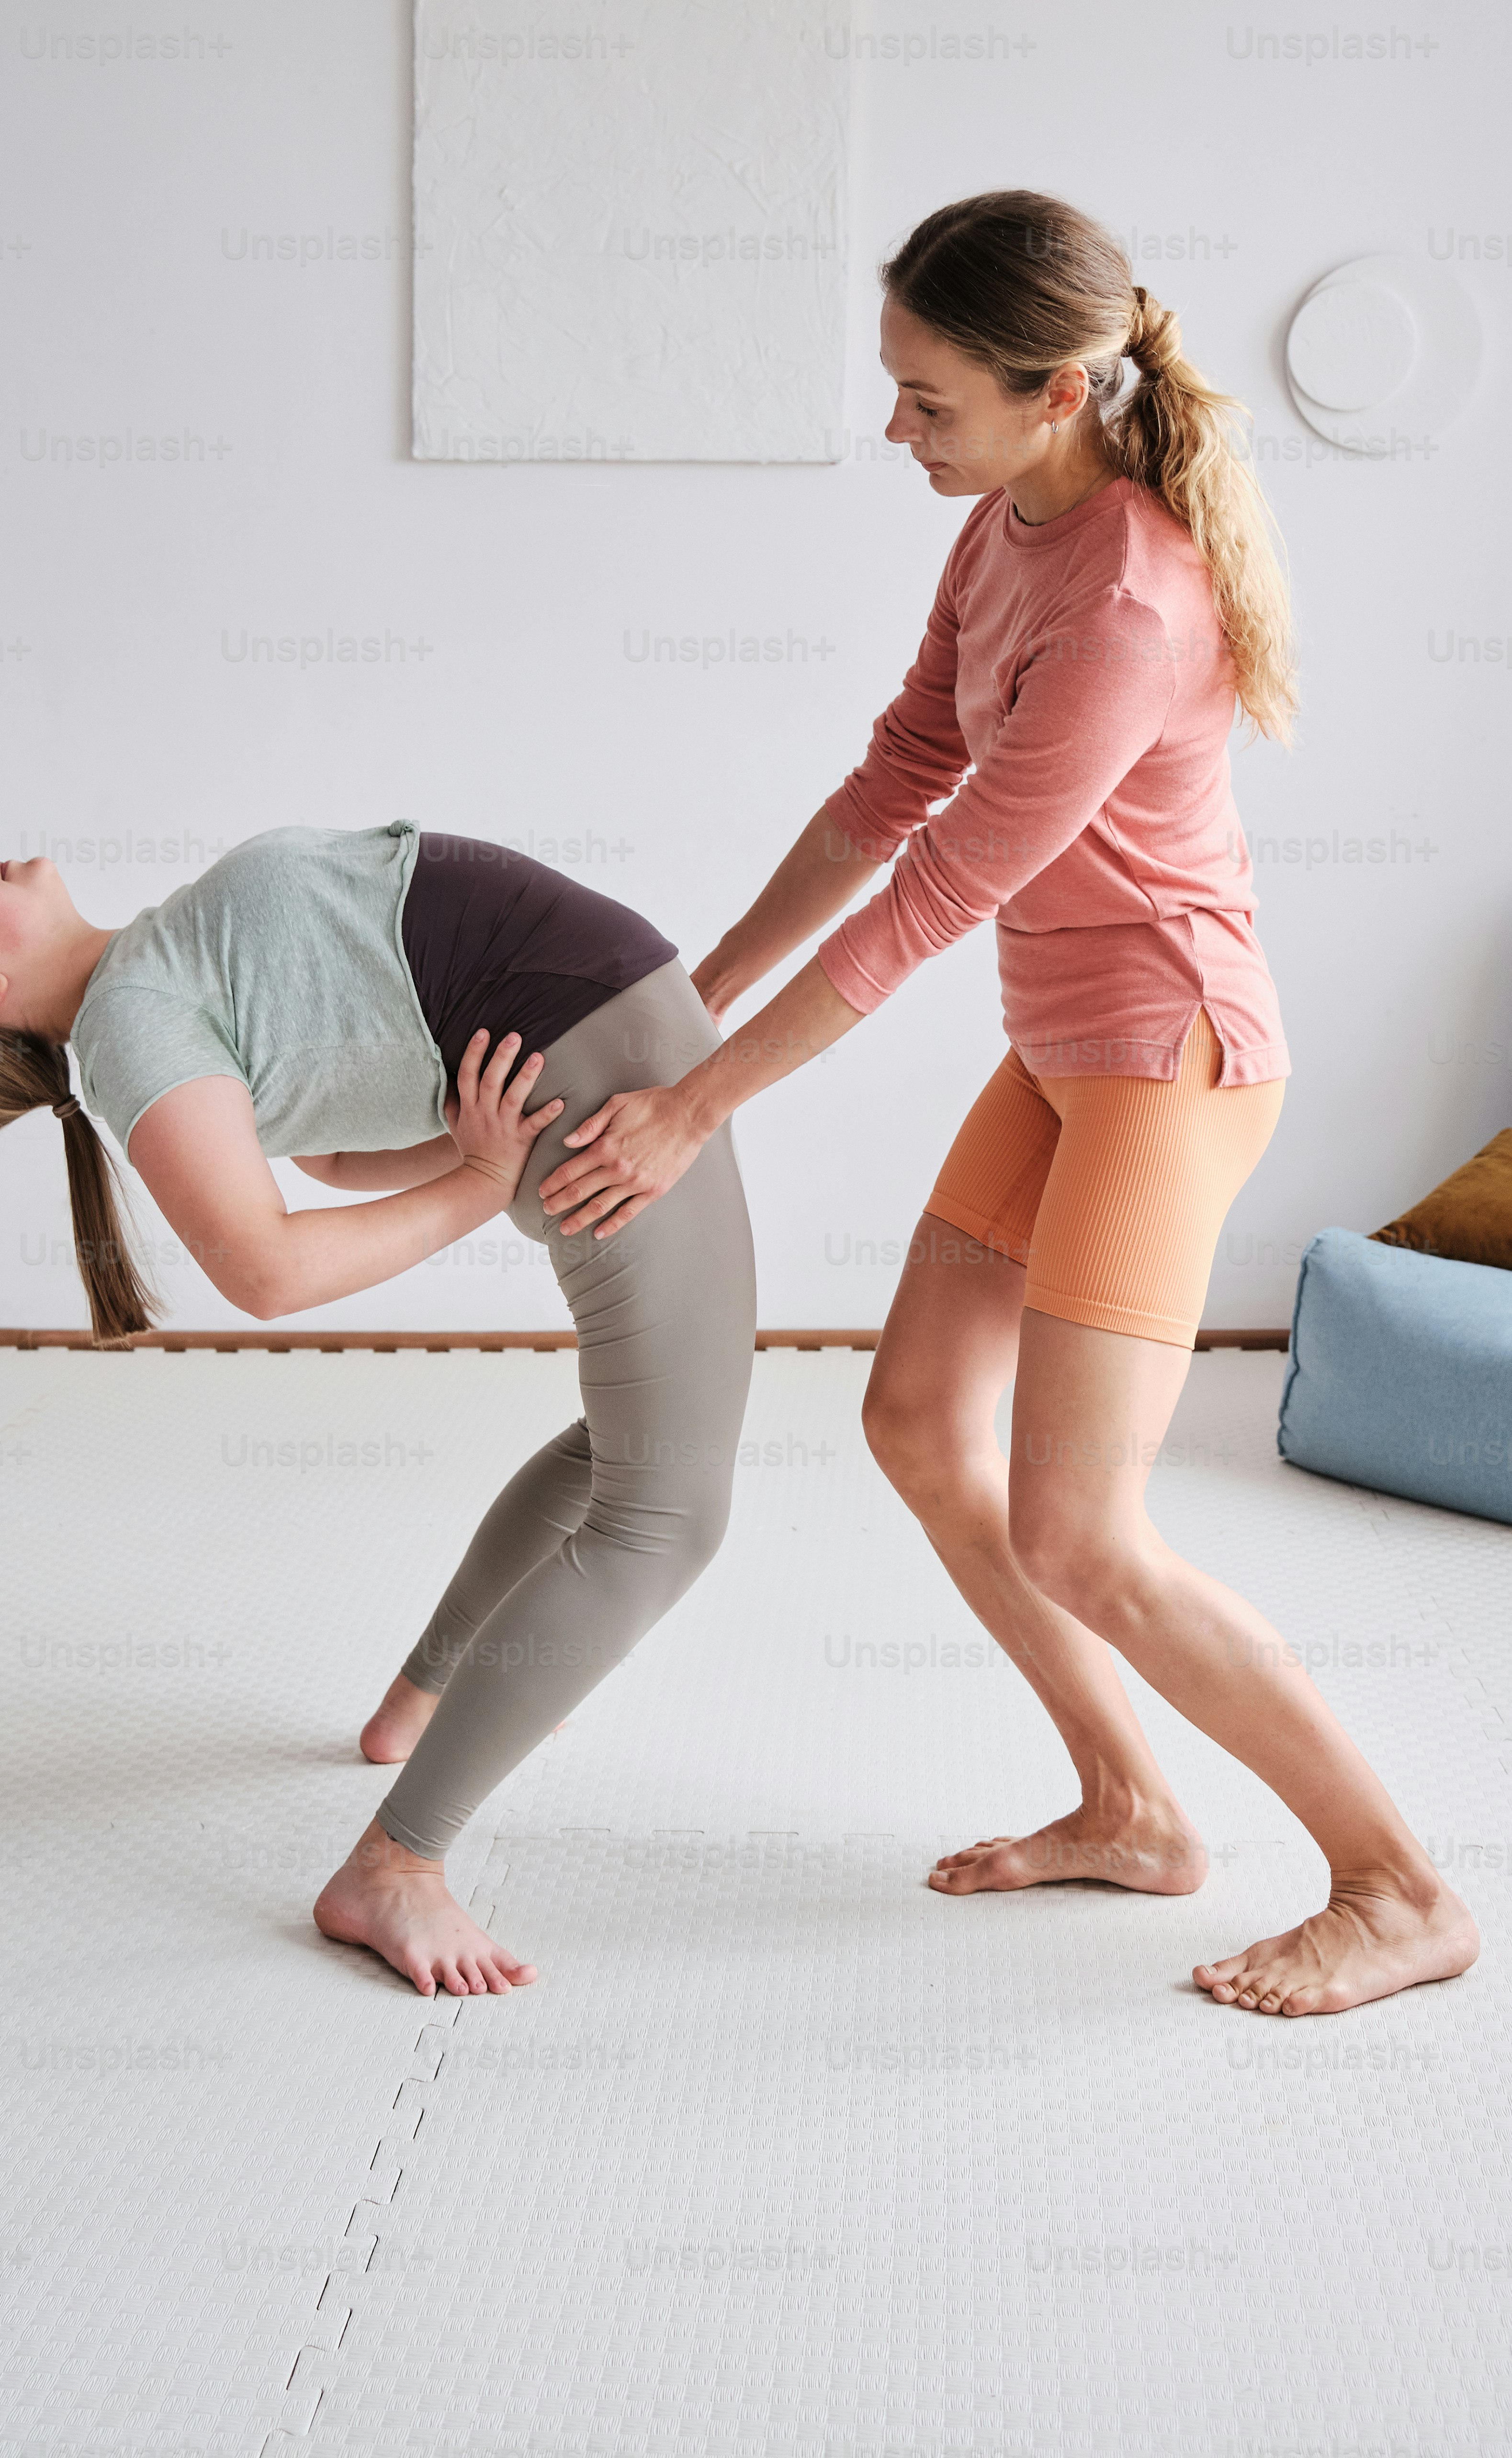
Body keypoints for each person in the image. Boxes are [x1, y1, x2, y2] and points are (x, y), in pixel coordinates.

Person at [533, 188, 1478, 2020]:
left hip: (1164, 1064)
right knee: (910, 1421)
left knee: (1080, 1532)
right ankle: (1131, 1805)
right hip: (1061, 1055)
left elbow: (932, 895)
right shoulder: (1008, 525)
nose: (896, 430)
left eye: (929, 401)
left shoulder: (1130, 595)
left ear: (1053, 389)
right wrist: (691, 999)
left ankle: (1396, 1885)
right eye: (895, 388)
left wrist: (696, 1107)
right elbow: (898, 772)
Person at [0, 823, 756, 1997]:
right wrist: (481, 1178)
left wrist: (469, 1145)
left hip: (586, 1042)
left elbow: (330, 1146)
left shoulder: (152, 966)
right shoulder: (130, 1020)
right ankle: (396, 1865)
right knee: (667, 1509)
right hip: (594, 1059)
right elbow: (267, 1271)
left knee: (625, 1456)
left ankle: (418, 1707)